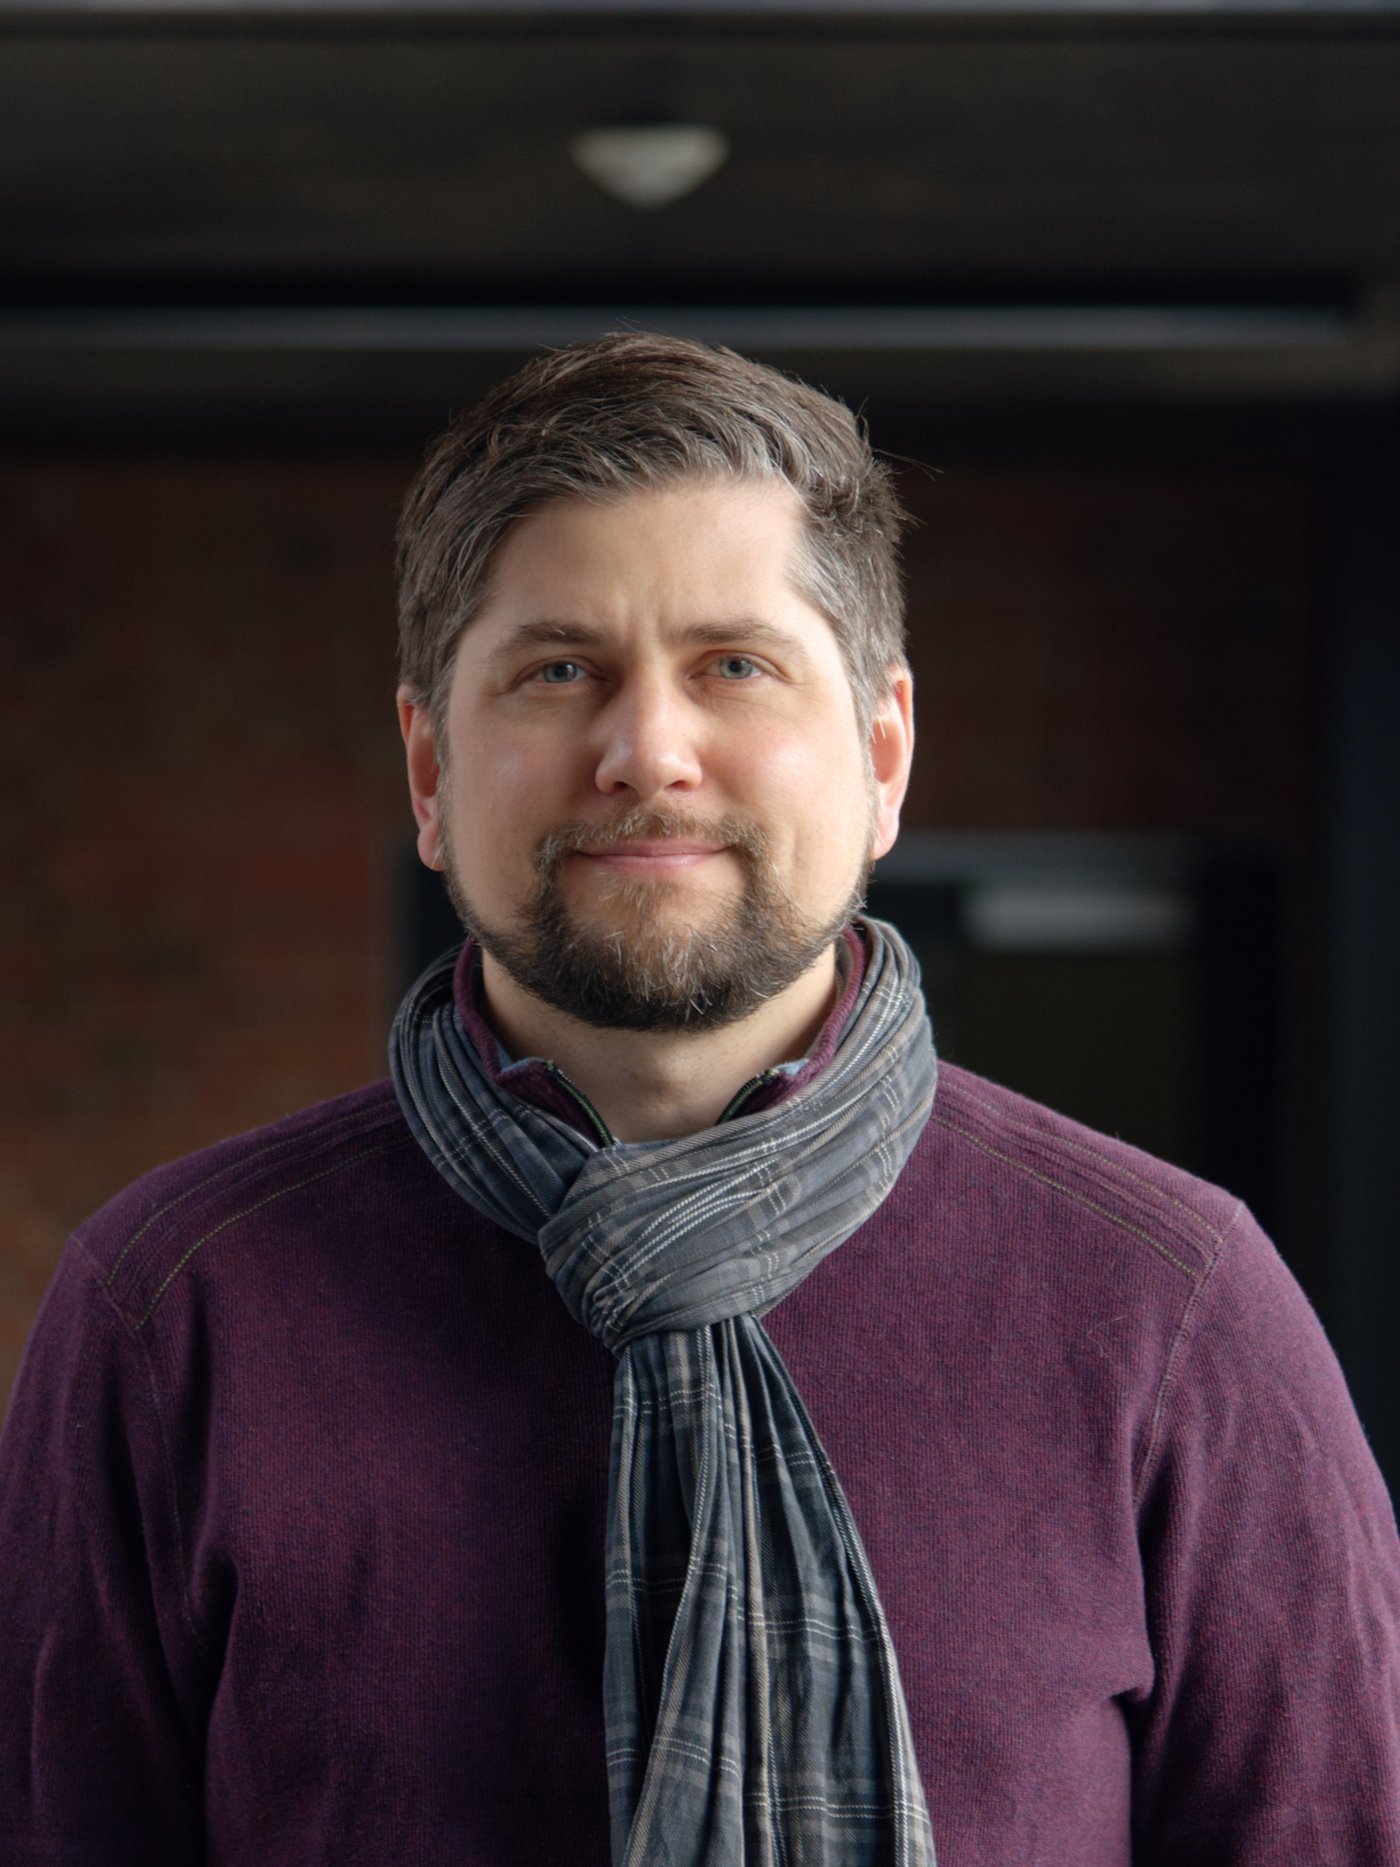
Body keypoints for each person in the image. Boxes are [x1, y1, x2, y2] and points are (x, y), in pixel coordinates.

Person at [1, 334, 1397, 1867]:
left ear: (881, 754)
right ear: (427, 771)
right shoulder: (175, 1312)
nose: (644, 752)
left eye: (736, 665)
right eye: (557, 671)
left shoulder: (1172, 1311)